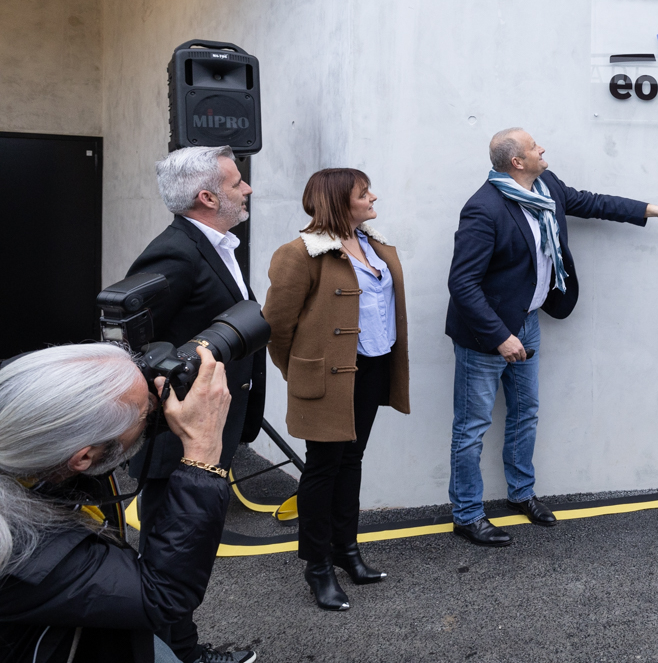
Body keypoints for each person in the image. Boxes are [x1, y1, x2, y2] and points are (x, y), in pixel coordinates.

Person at [446, 128, 658, 546]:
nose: (543, 149)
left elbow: (594, 203)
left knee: (525, 413)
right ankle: (466, 514)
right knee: (472, 427)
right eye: (534, 147)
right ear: (517, 162)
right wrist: (500, 337)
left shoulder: (547, 186)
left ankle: (521, 494)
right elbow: (462, 283)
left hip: (527, 321)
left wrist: (653, 210)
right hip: (485, 334)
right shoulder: (483, 209)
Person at [0, 344, 242, 663]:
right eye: (146, 413)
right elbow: (159, 596)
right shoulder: (20, 550)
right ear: (82, 457)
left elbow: (102, 442)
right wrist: (203, 448)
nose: (151, 411)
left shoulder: (17, 425)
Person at [126, 145, 264, 662]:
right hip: (175, 440)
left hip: (205, 432)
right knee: (171, 553)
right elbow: (139, 346)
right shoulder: (176, 251)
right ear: (207, 197)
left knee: (183, 549)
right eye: (236, 183)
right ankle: (175, 652)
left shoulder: (216, 243)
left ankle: (174, 648)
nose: (246, 188)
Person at [264, 169, 410, 610]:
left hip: (372, 368)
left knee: (352, 460)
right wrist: (301, 372)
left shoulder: (373, 245)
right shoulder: (301, 254)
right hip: (327, 377)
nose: (373, 198)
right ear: (338, 202)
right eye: (364, 194)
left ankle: (348, 552)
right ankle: (318, 566)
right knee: (322, 468)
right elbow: (277, 328)